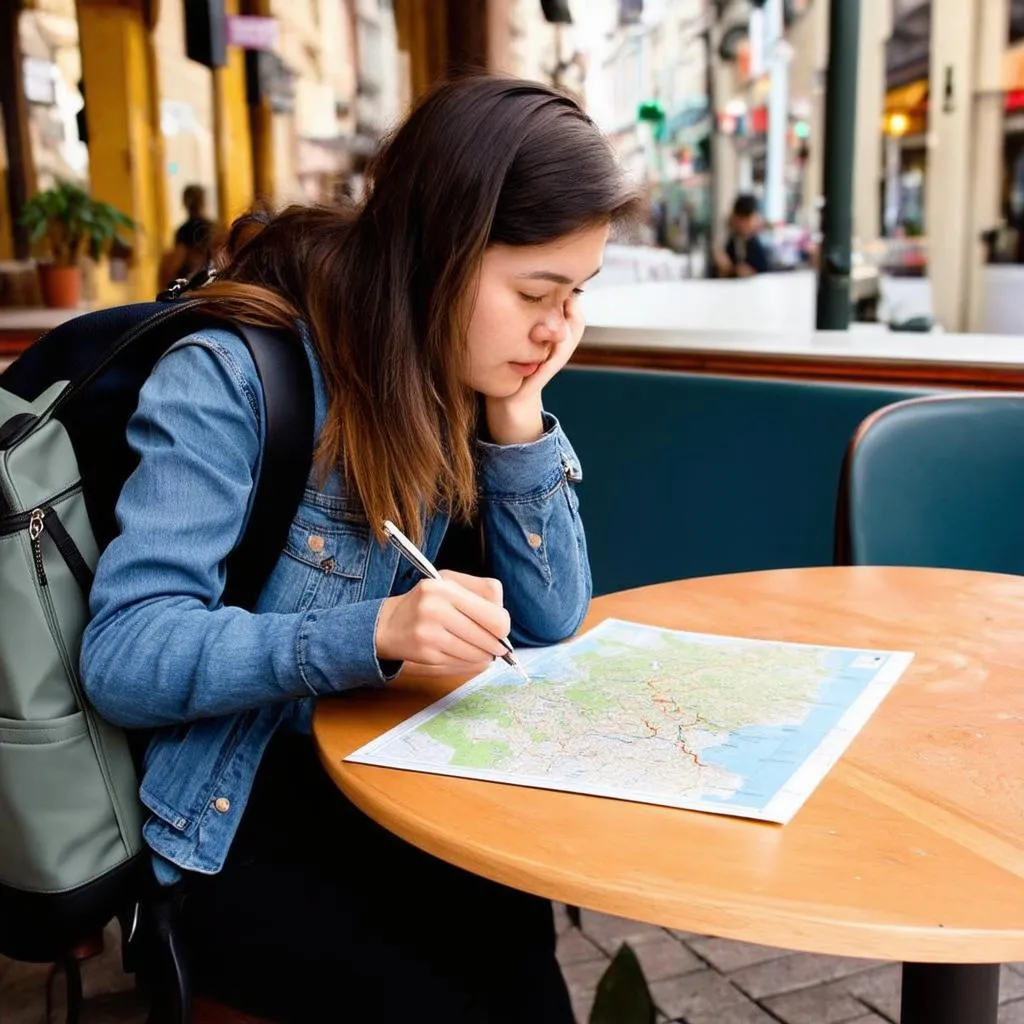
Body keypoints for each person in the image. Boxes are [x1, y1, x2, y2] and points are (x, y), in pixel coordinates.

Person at [81, 75, 639, 1023]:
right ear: (437, 254)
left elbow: (549, 619)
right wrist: (372, 630)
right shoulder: (234, 373)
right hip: (260, 817)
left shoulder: (466, 368)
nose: (554, 328)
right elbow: (126, 654)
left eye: (576, 295)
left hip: (425, 802)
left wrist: (518, 414)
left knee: (526, 983)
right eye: (534, 292)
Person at [158, 184, 216, 289]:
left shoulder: (183, 231)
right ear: (203, 202)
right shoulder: (213, 227)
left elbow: (177, 261)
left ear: (185, 203)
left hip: (190, 283)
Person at [713, 193, 770, 278]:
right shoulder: (729, 242)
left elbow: (765, 272)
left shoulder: (757, 244)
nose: (749, 224)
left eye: (751, 219)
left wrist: (752, 274)